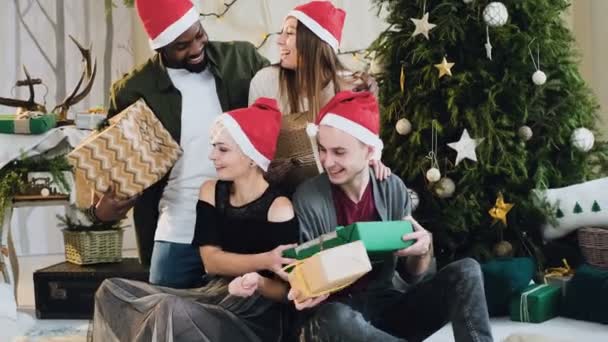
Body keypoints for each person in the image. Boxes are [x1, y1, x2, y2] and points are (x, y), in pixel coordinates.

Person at [90, 0, 270, 288]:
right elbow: (108, 165)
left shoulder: (242, 59)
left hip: (242, 222)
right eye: (182, 46)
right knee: (165, 317)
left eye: (199, 35)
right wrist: (105, 206)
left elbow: (289, 94)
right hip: (178, 228)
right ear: (160, 47)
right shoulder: (133, 90)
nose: (197, 48)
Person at [288, 90, 494, 342]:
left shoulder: (390, 187)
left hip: (385, 306)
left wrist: (422, 250)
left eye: (339, 152)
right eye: (322, 150)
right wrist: (308, 288)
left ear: (369, 151)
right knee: (336, 318)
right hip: (335, 315)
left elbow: (411, 275)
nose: (327, 162)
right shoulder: (309, 197)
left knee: (467, 270)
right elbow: (301, 275)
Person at [93, 98, 299, 342]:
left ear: (252, 157)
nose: (212, 156)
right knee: (111, 290)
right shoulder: (211, 191)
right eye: (214, 147)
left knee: (168, 309)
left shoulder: (279, 208)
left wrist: (257, 281)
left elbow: (286, 290)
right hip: (215, 295)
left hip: (256, 314)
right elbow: (211, 262)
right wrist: (266, 259)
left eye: (222, 149)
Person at [248, 1, 389, 192]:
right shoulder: (265, 81)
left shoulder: (352, 87)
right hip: (280, 193)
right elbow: (254, 149)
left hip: (335, 192)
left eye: (289, 33)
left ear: (313, 41)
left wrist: (372, 162)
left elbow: (369, 148)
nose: (279, 40)